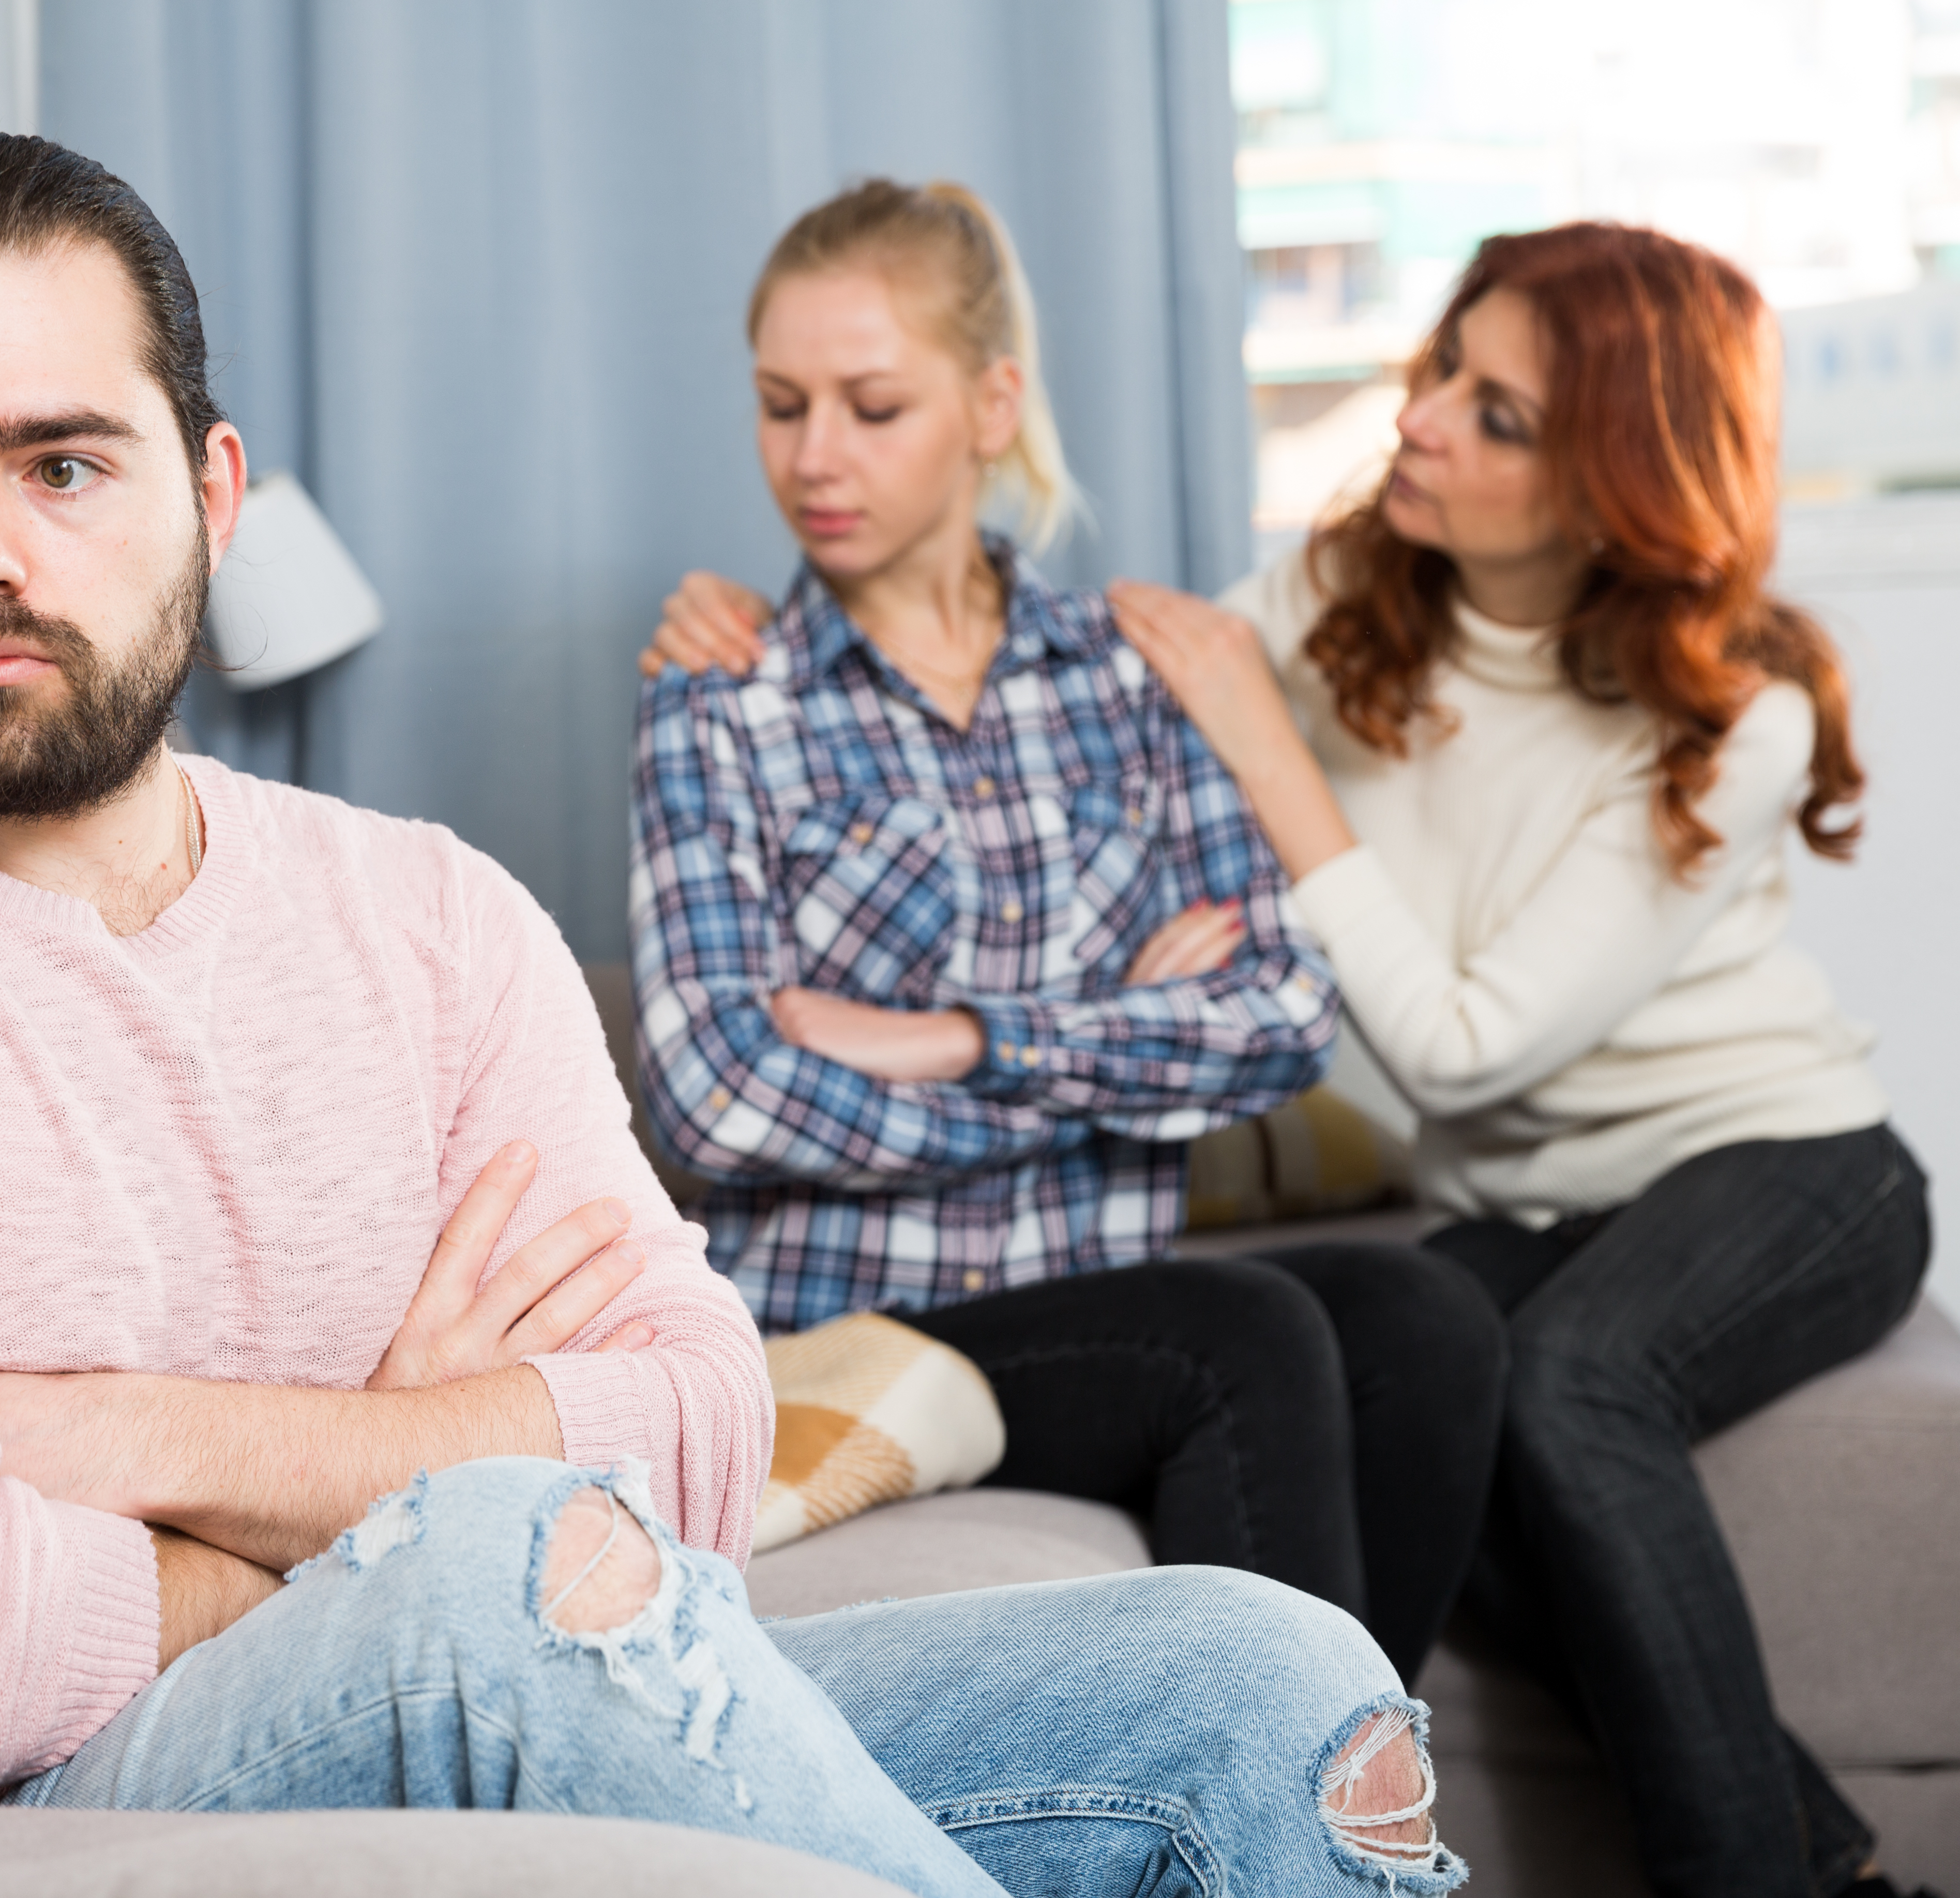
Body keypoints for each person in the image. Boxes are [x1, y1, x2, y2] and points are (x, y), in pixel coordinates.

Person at [0, 133, 1464, 1897]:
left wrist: (117, 1436)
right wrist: (419, 1485)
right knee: (503, 1571)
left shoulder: (430, 914)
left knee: (1261, 1673)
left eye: (61, 461)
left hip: (486, 1678)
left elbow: (694, 1454)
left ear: (209, 493)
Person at [658, 216, 1933, 1898]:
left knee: (1544, 1377)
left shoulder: (1727, 713)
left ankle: (1710, 1874)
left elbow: (1328, 1029)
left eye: (1494, 415)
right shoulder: (1326, 601)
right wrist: (1119, 1030)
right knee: (1420, 1340)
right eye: (1440, 375)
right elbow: (731, 1085)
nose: (1416, 423)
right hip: (1507, 1204)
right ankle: (1350, 1836)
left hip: (1772, 1157)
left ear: (1610, 477)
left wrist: (972, 1033)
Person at [628, 177, 1506, 1691]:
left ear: (989, 404)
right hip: (854, 1328)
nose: (811, 458)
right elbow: (718, 1094)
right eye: (780, 406)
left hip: (1095, 1301)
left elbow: (1282, 1021)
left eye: (870, 405)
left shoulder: (1136, 673)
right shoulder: (723, 697)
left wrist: (963, 1041)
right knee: (1239, 1334)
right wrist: (1105, 1066)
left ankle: (1343, 1810)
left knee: (1427, 1314)